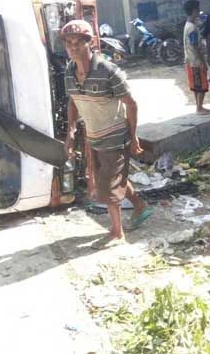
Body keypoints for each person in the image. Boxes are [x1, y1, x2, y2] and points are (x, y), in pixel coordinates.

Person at [61, 20, 151, 249]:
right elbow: (73, 102)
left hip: (115, 135)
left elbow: (131, 104)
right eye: (68, 43)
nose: (72, 48)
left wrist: (134, 136)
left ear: (89, 43)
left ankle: (116, 232)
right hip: (93, 135)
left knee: (107, 183)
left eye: (77, 43)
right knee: (114, 178)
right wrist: (71, 132)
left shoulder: (108, 72)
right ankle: (139, 206)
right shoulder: (69, 72)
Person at [182, 0, 210, 115]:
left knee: (196, 85)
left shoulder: (188, 25)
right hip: (196, 61)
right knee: (202, 85)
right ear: (194, 11)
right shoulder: (192, 28)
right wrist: (203, 61)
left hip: (190, 61)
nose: (199, 12)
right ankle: (199, 108)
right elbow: (195, 46)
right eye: (198, 10)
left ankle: (199, 106)